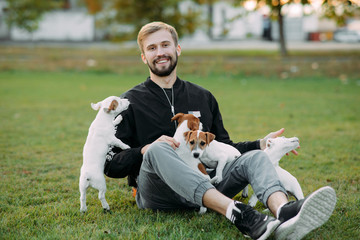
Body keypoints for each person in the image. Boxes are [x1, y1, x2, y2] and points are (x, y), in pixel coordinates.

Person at [104, 21, 336, 240]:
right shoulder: (129, 102)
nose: (160, 52)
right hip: (158, 193)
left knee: (255, 158)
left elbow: (224, 146)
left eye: (165, 45)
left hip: (209, 186)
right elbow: (110, 164)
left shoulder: (203, 96)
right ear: (144, 56)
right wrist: (145, 149)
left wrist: (260, 144)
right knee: (158, 150)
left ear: (178, 48)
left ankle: (283, 212)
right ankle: (237, 213)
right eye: (152, 48)